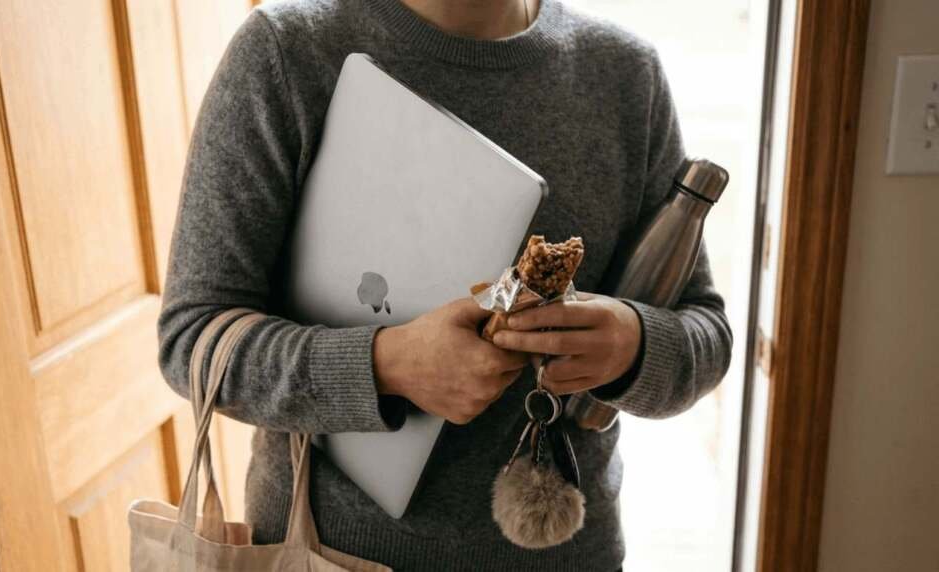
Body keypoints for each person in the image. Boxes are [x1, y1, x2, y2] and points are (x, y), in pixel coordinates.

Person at [157, 0, 732, 569]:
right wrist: (387, 365)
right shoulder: (287, 50)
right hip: (326, 553)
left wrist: (634, 345)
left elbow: (706, 334)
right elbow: (193, 340)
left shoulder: (626, 72)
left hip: (570, 553)